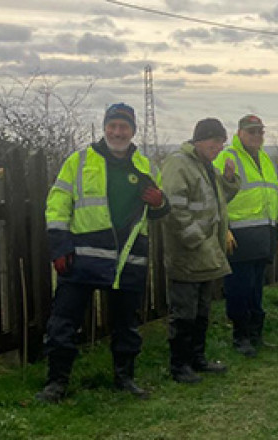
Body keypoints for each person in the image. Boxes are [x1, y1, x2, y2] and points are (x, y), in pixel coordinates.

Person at [37, 103, 170, 403]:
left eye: (124, 127)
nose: (117, 132)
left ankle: (124, 378)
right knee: (63, 323)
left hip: (128, 260)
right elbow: (57, 204)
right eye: (112, 125)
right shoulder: (79, 160)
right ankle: (56, 383)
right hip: (82, 258)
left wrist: (161, 202)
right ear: (104, 127)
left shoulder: (147, 167)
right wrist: (59, 246)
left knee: (126, 325)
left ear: (133, 130)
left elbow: (159, 211)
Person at [160, 118, 239, 383]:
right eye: (214, 141)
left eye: (221, 142)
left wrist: (229, 179)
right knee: (184, 313)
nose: (218, 147)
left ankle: (197, 358)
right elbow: (174, 208)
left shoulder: (205, 166)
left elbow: (219, 200)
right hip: (187, 252)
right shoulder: (179, 164)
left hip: (206, 252)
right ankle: (180, 365)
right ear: (199, 140)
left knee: (203, 311)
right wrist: (196, 240)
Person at [212, 115, 278, 357]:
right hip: (238, 238)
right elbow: (215, 196)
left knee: (257, 289)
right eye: (251, 131)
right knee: (239, 290)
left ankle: (257, 334)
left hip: (263, 236)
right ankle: (241, 337)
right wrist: (222, 229)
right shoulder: (226, 157)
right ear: (240, 133)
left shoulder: (266, 159)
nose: (257, 135)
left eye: (260, 131)